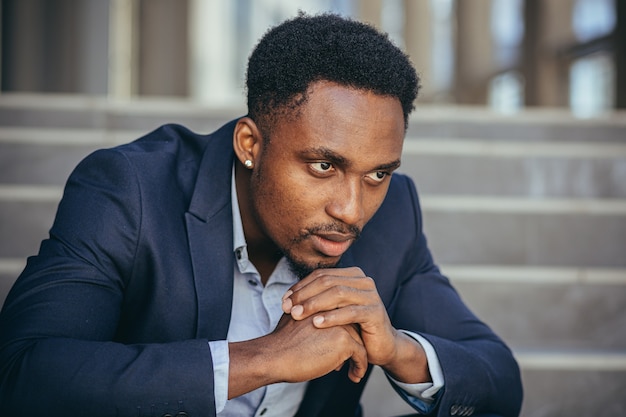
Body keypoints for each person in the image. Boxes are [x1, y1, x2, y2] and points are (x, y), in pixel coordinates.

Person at [0, 13, 522, 417]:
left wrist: (397, 349)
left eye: (377, 174)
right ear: (250, 143)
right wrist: (262, 359)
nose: (352, 208)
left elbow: (499, 379)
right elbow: (23, 373)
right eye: (323, 165)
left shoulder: (395, 214)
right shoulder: (130, 189)